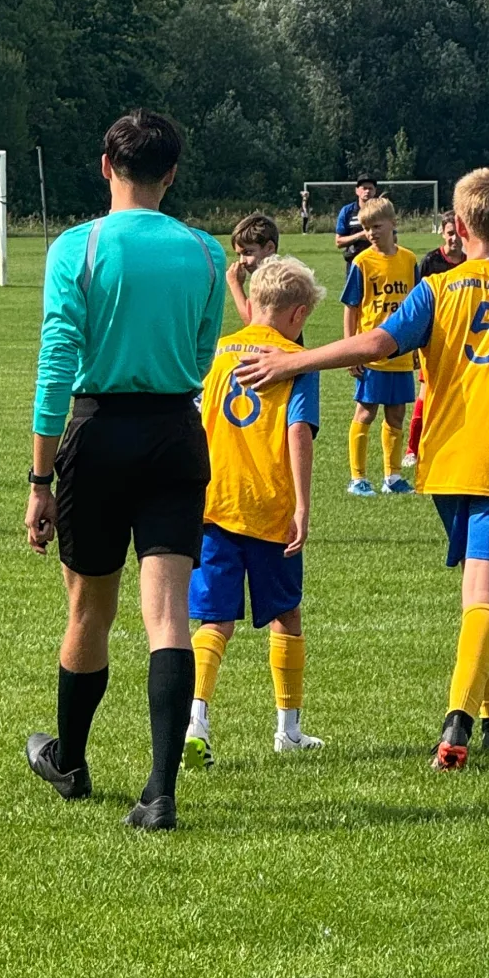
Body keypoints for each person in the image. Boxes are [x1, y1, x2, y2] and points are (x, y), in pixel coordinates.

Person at [234, 166, 489, 772]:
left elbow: (377, 344)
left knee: (480, 589)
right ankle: (458, 724)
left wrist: (300, 360)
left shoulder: (436, 290)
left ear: (459, 227)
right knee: (485, 596)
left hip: (444, 463)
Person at [23, 108, 227, 832]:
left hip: (98, 431)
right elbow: (202, 353)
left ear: (106, 166)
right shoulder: (206, 252)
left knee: (90, 610)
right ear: (171, 174)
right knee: (168, 613)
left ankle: (71, 762)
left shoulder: (76, 247)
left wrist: (39, 481)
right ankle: (160, 791)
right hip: (175, 431)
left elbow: (56, 365)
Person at [185, 255, 325, 769]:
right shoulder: (297, 360)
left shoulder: (217, 353)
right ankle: (288, 730)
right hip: (270, 507)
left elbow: (193, 420)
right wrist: (303, 505)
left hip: (214, 504)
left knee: (213, 620)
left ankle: (195, 721)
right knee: (286, 615)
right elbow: (297, 430)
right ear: (298, 313)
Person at [341, 196, 418, 497]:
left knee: (396, 414)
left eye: (376, 226)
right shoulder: (362, 262)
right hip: (371, 352)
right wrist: (351, 349)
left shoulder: (409, 260)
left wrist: (416, 347)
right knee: (365, 412)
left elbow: (416, 308)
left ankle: (393, 476)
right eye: (366, 228)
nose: (371, 233)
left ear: (393, 224)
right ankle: (358, 478)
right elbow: (351, 307)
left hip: (400, 351)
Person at [406, 211, 465, 469]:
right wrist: (415, 343)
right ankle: (412, 449)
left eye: (458, 233)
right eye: (450, 233)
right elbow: (417, 303)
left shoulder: (469, 262)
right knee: (426, 393)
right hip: (433, 339)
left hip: (462, 339)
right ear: (442, 233)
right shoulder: (431, 262)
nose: (454, 239)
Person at [226, 212, 279, 327]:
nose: (242, 261)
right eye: (239, 255)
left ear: (269, 248)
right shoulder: (267, 278)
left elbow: (256, 324)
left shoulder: (276, 281)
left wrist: (235, 285)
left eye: (248, 252)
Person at [334, 176, 379, 268]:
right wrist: (360, 236)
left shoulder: (381, 210)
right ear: (357, 191)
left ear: (375, 191)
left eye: (370, 188)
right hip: (354, 264)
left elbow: (393, 238)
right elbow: (339, 242)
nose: (367, 191)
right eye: (364, 188)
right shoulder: (347, 211)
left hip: (377, 262)